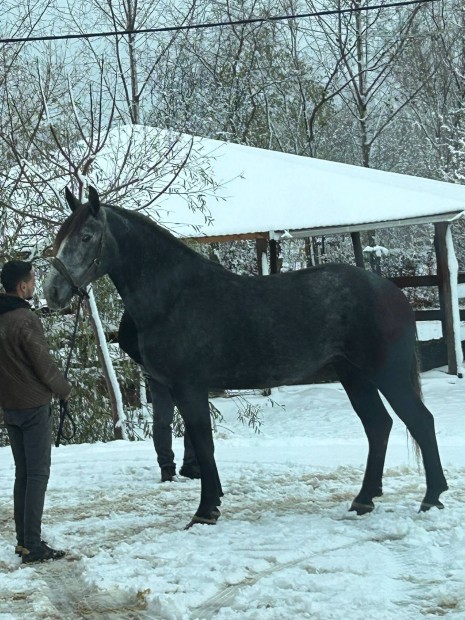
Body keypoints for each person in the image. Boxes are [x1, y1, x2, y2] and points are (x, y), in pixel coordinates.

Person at [0, 260, 72, 564]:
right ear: (21, 287)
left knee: (23, 474)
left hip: (10, 406)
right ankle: (32, 544)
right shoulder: (24, 319)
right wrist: (63, 388)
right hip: (33, 406)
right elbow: (43, 364)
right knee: (38, 474)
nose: (34, 284)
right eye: (31, 280)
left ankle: (24, 540)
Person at [118, 310, 200, 482]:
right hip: (158, 374)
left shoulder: (181, 298)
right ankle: (167, 468)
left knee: (194, 418)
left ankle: (191, 465)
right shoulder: (139, 302)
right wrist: (146, 360)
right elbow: (125, 338)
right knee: (163, 419)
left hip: (185, 372)